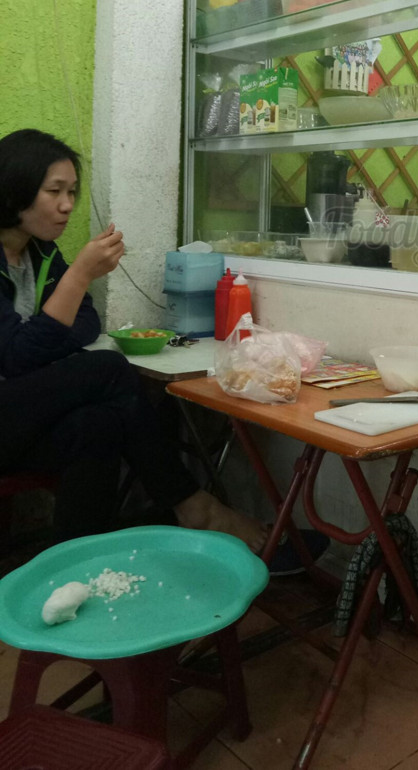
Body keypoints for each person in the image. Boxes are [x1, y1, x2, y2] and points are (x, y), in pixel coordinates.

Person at [0, 128, 325, 568]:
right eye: (54, 191)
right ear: (14, 189)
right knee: (109, 369)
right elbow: (17, 355)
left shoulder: (40, 254)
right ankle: (194, 506)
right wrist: (78, 277)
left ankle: (73, 570)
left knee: (97, 425)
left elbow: (86, 320)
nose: (67, 205)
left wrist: (46, 335)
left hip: (24, 413)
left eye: (72, 191)